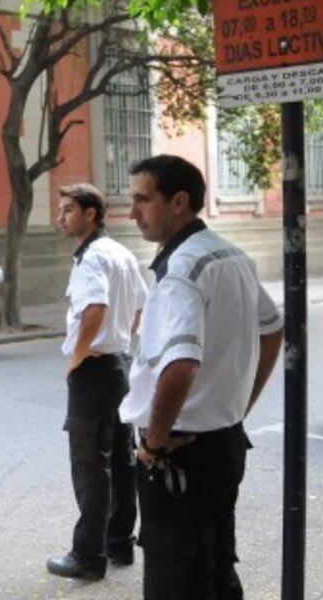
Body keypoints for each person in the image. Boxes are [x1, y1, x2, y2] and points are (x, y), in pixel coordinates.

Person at [121, 155, 283, 599]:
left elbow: (180, 365)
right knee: (215, 565)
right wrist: (239, 407)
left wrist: (154, 445)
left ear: (178, 202)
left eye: (142, 200)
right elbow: (272, 329)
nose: (132, 213)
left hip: (180, 453)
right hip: (222, 443)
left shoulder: (182, 270)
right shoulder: (230, 255)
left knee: (175, 579)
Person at [46, 184, 147, 581]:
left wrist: (78, 354)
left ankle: (88, 555)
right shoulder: (121, 252)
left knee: (90, 464)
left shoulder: (92, 258)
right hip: (119, 363)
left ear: (91, 214)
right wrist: (121, 340)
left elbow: (96, 307)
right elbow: (139, 306)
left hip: (96, 369)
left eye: (68, 210)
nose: (60, 218)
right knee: (121, 458)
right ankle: (118, 542)